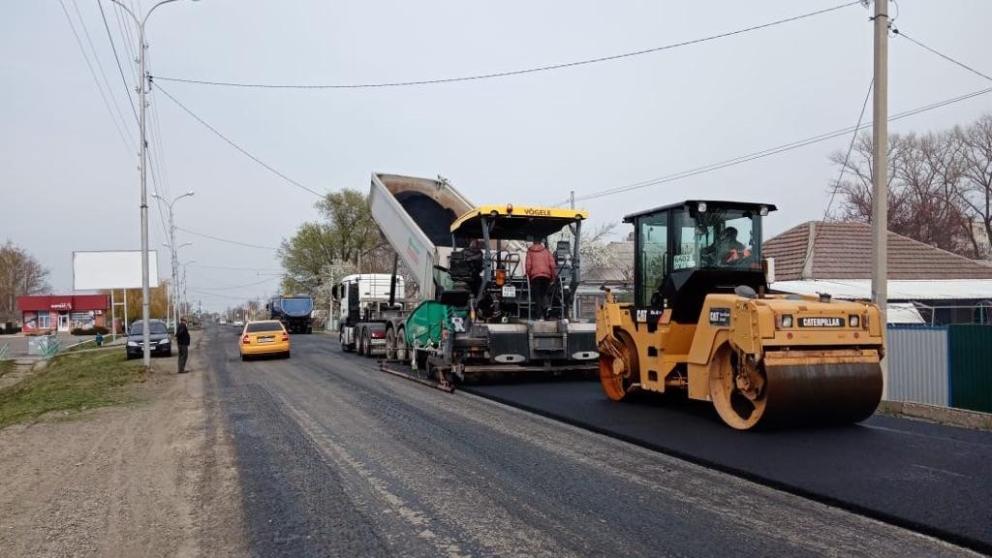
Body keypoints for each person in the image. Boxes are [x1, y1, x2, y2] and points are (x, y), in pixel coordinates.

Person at [525, 238, 556, 319]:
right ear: (541, 243)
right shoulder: (546, 252)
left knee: (537, 295)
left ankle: (539, 315)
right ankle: (547, 310)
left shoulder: (530, 252)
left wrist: (528, 276)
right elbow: (552, 265)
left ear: (533, 242)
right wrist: (553, 277)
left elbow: (528, 265)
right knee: (544, 293)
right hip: (546, 276)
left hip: (535, 276)